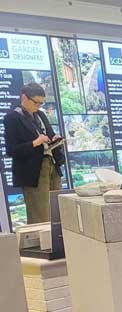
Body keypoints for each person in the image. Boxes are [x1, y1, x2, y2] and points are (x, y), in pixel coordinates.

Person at [2, 83, 65, 224]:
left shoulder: (40, 115)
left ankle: (59, 243)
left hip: (52, 165)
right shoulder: (12, 118)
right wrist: (34, 143)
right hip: (33, 171)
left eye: (41, 103)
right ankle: (43, 245)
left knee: (59, 211)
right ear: (24, 98)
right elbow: (11, 150)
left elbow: (49, 135)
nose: (38, 106)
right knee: (40, 215)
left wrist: (55, 139)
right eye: (36, 102)